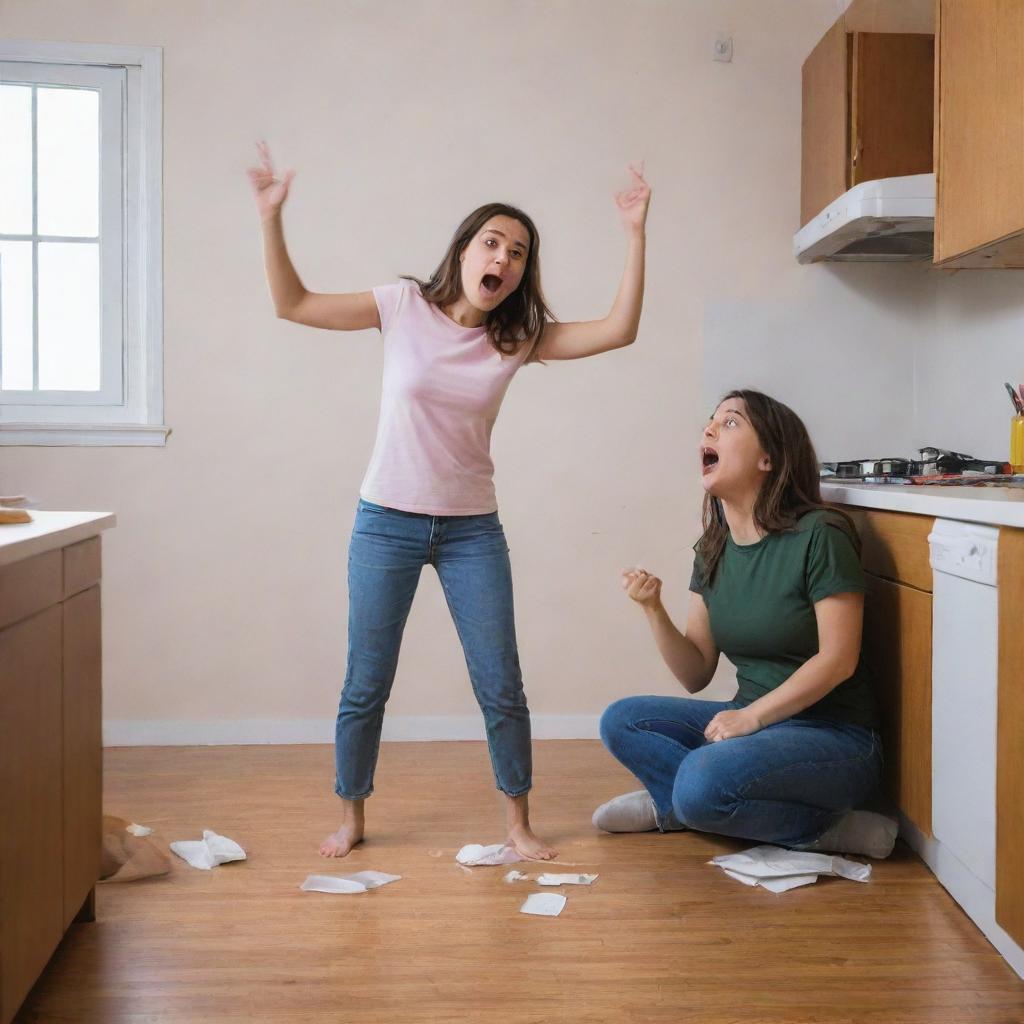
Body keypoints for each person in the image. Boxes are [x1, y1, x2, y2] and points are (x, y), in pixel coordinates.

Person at [247, 143, 651, 859]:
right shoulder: (401, 305)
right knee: (366, 683)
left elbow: (619, 330)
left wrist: (635, 235)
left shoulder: (516, 338)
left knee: (501, 683)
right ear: (464, 250)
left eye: (520, 252)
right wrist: (270, 217)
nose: (506, 258)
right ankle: (352, 817)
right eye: (493, 242)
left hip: (471, 532)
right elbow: (292, 303)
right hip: (386, 524)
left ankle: (519, 825)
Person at [594, 390, 897, 859]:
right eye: (709, 423)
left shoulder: (821, 533)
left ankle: (818, 828)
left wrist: (752, 716)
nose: (709, 430)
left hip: (835, 737)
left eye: (731, 423)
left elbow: (838, 660)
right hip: (756, 729)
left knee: (703, 779)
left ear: (769, 459)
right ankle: (685, 805)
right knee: (622, 720)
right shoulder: (712, 549)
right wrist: (654, 609)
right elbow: (695, 673)